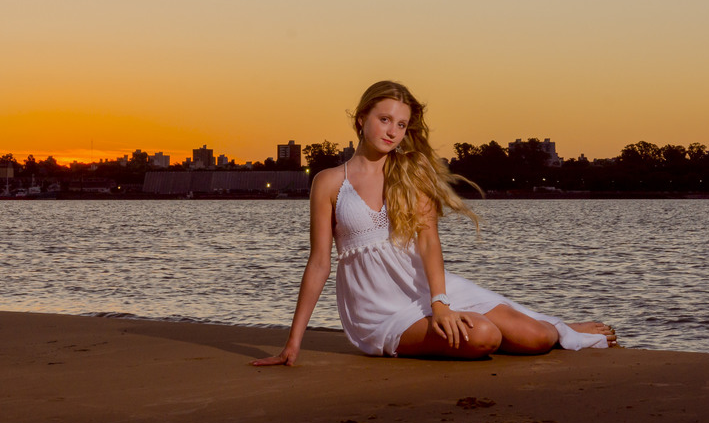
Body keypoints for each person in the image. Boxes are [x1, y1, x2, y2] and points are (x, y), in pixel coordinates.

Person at [252, 81, 616, 366]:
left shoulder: (411, 175)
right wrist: (292, 343)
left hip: (430, 290)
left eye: (401, 124)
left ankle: (560, 328)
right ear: (361, 118)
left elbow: (428, 243)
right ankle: (478, 331)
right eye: (384, 119)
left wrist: (440, 303)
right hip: (380, 311)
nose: (392, 131)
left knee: (536, 338)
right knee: (484, 337)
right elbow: (319, 262)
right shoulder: (329, 182)